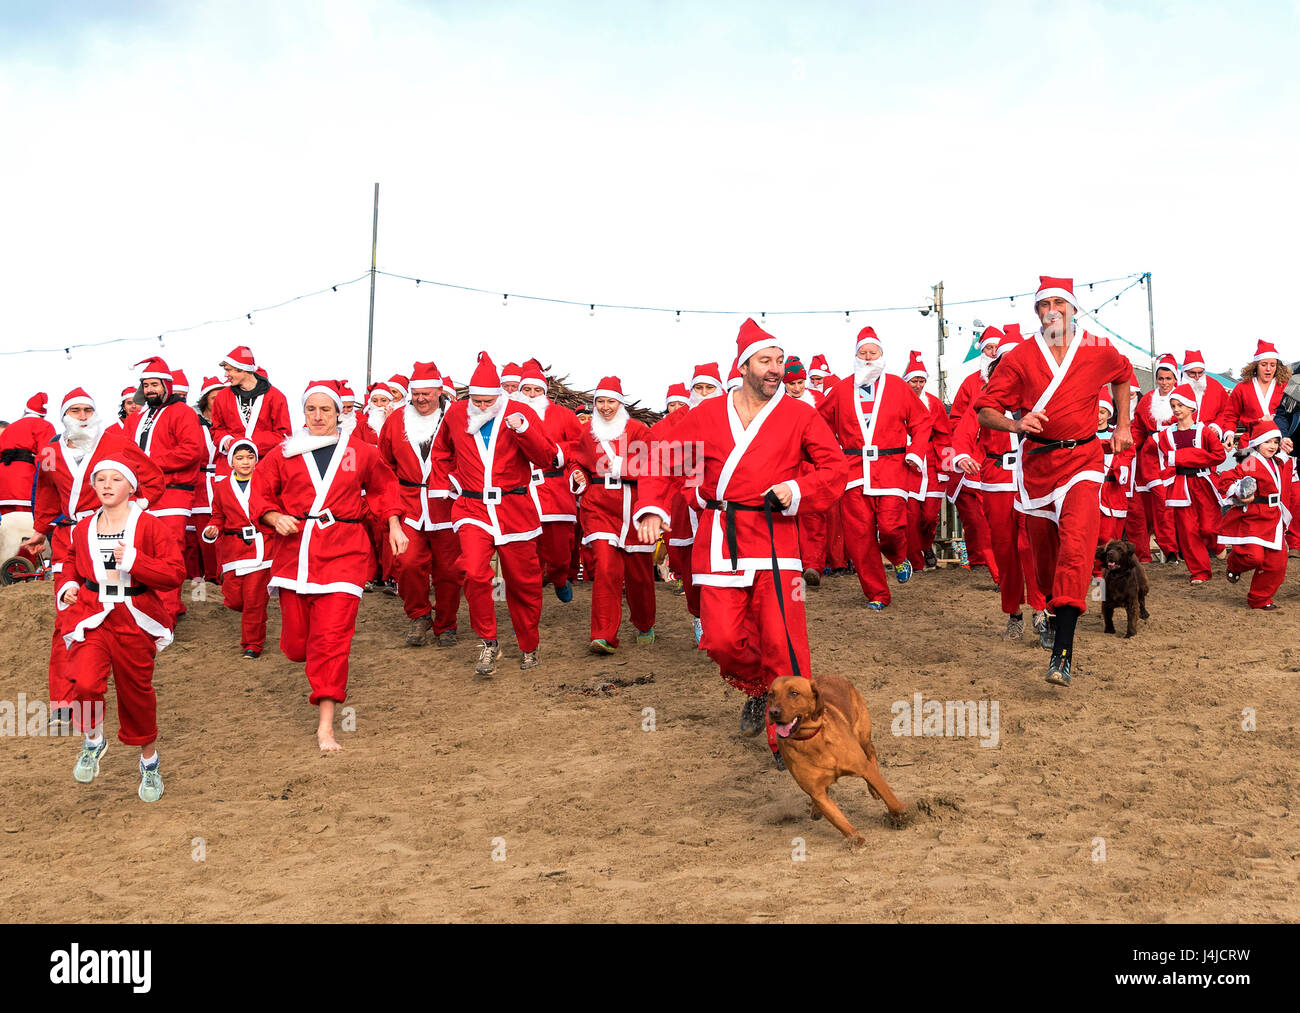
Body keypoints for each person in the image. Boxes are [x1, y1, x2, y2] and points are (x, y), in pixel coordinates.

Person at [635, 319, 847, 743]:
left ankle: (789, 736)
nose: (775, 369)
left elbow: (836, 467)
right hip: (720, 538)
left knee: (783, 640)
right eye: (765, 361)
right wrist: (653, 508)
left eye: (779, 361)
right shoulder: (707, 415)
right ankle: (758, 690)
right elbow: (660, 457)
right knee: (721, 640)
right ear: (744, 366)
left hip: (776, 539)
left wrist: (797, 487)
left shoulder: (799, 414)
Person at [973, 276, 1132, 687]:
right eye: (1045, 305)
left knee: (1077, 549)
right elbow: (985, 408)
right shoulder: (1021, 356)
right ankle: (1043, 607)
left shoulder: (1097, 348)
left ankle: (1062, 654)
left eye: (1060, 304)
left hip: (1083, 459)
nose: (1053, 311)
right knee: (1043, 565)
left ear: (1074, 309)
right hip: (1037, 466)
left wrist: (1122, 426)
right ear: (1037, 313)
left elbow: (1124, 373)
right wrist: (1016, 422)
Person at [252, 380, 407, 751]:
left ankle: (326, 727)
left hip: (344, 555)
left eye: (326, 409)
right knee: (296, 647)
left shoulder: (360, 452)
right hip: (296, 556)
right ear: (303, 413)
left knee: (332, 642)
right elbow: (260, 494)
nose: (318, 416)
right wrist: (274, 517)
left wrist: (394, 525)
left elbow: (385, 488)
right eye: (311, 409)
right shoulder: (283, 453)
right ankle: (305, 654)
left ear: (340, 412)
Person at [25, 390, 163, 726]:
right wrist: (41, 529)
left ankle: (108, 682)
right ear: (64, 415)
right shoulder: (48, 453)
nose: (84, 416)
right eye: (76, 410)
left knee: (114, 608)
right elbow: (45, 491)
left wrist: (135, 509)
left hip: (109, 533)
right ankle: (64, 699)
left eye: (89, 409)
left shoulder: (116, 442)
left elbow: (153, 478)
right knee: (67, 616)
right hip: (68, 538)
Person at [57, 460, 184, 802]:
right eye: (100, 479)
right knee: (83, 681)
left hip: (134, 617)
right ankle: (94, 741)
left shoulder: (150, 526)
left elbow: (174, 573)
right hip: (93, 613)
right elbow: (70, 559)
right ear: (93, 486)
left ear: (132, 487)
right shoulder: (83, 527)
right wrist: (68, 582)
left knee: (136, 693)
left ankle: (149, 762)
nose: (107, 484)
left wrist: (135, 561)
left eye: (116, 479)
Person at [429, 353, 559, 676]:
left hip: (514, 510)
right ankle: (489, 642)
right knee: (473, 571)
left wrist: (524, 431)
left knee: (524, 583)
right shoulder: (457, 414)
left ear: (500, 395)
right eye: (477, 400)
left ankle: (529, 644)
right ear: (468, 396)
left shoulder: (520, 412)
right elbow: (441, 451)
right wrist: (450, 482)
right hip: (471, 508)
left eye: (489, 401)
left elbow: (546, 456)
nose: (483, 407)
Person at [818, 326, 930, 608]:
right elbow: (818, 426)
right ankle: (878, 594)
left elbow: (922, 422)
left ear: (881, 355)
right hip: (854, 471)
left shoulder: (897, 386)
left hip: (891, 467)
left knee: (891, 528)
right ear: (855, 356)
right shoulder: (842, 389)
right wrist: (831, 459)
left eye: (873, 352)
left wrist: (916, 452)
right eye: (862, 353)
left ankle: (898, 555)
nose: (868, 357)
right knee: (860, 538)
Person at [951, 328, 1047, 640]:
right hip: (996, 480)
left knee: (1031, 545)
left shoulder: (1039, 396)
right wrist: (963, 456)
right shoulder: (985, 399)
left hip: (1032, 478)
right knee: (1005, 549)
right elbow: (965, 432)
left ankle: (1040, 610)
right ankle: (1014, 613)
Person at [377, 361, 465, 647]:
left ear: (440, 391)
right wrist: (391, 506)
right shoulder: (395, 421)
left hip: (446, 505)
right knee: (407, 561)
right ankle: (418, 615)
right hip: (409, 504)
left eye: (427, 393)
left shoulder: (457, 418)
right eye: (416, 394)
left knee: (449, 569)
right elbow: (384, 466)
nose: (421, 399)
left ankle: (447, 624)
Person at [572, 376, 657, 652]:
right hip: (600, 508)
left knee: (639, 576)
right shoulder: (588, 433)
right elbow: (579, 463)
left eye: (611, 401)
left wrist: (624, 466)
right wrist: (577, 476)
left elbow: (655, 463)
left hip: (633, 510)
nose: (605, 407)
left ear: (620, 403)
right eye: (600, 402)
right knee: (606, 569)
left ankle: (644, 623)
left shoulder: (638, 431)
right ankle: (603, 634)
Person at [124, 357, 205, 620]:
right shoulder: (136, 418)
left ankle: (167, 612)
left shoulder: (183, 412)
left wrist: (147, 464)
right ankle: (156, 609)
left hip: (174, 492)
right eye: (146, 385)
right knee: (142, 550)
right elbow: (124, 450)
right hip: (140, 494)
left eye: (154, 384)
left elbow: (193, 451)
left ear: (167, 386)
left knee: (169, 551)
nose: (149, 390)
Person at [513, 359, 584, 604]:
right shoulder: (508, 416)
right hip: (521, 492)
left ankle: (560, 577)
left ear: (545, 392)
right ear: (519, 391)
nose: (532, 395)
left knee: (560, 553)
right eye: (527, 390)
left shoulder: (563, 416)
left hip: (555, 490)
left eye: (537, 390)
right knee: (525, 553)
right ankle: (528, 604)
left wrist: (556, 453)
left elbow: (579, 446)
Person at [202, 438, 275, 657]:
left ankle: (252, 644)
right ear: (231, 461)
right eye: (240, 457)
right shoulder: (222, 487)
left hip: (263, 548)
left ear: (256, 460)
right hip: (234, 550)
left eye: (250, 457)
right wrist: (211, 529)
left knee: (253, 598)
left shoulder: (266, 482)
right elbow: (217, 515)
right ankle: (256, 613)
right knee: (235, 599)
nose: (245, 462)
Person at [1215, 419, 1291, 609]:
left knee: (1277, 563)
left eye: (1275, 442)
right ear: (1257, 442)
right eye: (1267, 442)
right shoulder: (1251, 461)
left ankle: (1260, 599)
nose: (1272, 446)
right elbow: (1227, 479)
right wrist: (1240, 491)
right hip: (1254, 516)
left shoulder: (1278, 461)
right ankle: (1234, 564)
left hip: (1274, 517)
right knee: (1253, 557)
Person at [1158, 384, 1226, 585]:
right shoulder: (1166, 434)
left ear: (1191, 407)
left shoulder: (1205, 432)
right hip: (1180, 486)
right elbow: (1167, 461)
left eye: (1180, 405)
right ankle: (1200, 571)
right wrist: (1194, 457)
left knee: (1209, 527)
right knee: (1187, 532)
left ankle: (1217, 544)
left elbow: (1219, 456)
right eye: (1173, 405)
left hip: (1203, 483)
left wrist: (1182, 457)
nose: (1177, 409)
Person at [1128, 353, 1181, 564]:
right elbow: (1138, 428)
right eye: (1161, 378)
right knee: (1140, 509)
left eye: (1169, 379)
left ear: (1175, 379)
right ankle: (1142, 555)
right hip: (1147, 458)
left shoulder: (1182, 399)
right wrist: (1129, 447)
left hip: (1171, 457)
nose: (1165, 383)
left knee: (1164, 505)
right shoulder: (1147, 399)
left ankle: (1170, 550)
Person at [902, 351, 951, 571]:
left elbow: (944, 435)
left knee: (930, 516)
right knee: (911, 517)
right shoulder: (897, 401)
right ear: (907, 380)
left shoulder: (934, 404)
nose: (918, 385)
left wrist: (945, 467)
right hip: (906, 464)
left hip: (931, 463)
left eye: (922, 381)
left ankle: (926, 545)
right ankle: (916, 561)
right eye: (914, 380)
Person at [209, 346, 292, 465]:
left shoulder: (276, 397)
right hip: (231, 466)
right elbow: (216, 429)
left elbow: (283, 436)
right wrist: (226, 440)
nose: (226, 375)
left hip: (265, 466)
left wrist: (247, 442)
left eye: (229, 370)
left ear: (241, 369)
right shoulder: (222, 397)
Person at [186, 376, 225, 585]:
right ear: (205, 401)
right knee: (204, 534)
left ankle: (222, 575)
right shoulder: (193, 423)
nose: (217, 402)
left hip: (222, 480)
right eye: (213, 398)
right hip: (201, 484)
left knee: (224, 532)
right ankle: (208, 577)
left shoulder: (230, 424)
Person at [0, 393, 54, 515]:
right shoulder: (45, 426)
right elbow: (47, 460)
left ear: (26, 410)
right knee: (26, 525)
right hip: (25, 482)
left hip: (2, 482)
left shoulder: (9, 427)